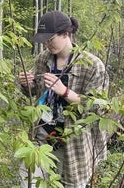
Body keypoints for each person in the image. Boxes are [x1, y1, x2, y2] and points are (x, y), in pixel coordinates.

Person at [18, 10, 109, 188]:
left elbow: (99, 108)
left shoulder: (92, 65)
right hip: (41, 136)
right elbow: (36, 93)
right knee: (28, 182)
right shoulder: (42, 59)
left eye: (50, 39)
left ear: (66, 34)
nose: (46, 44)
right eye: (43, 40)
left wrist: (66, 92)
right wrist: (26, 84)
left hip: (73, 142)